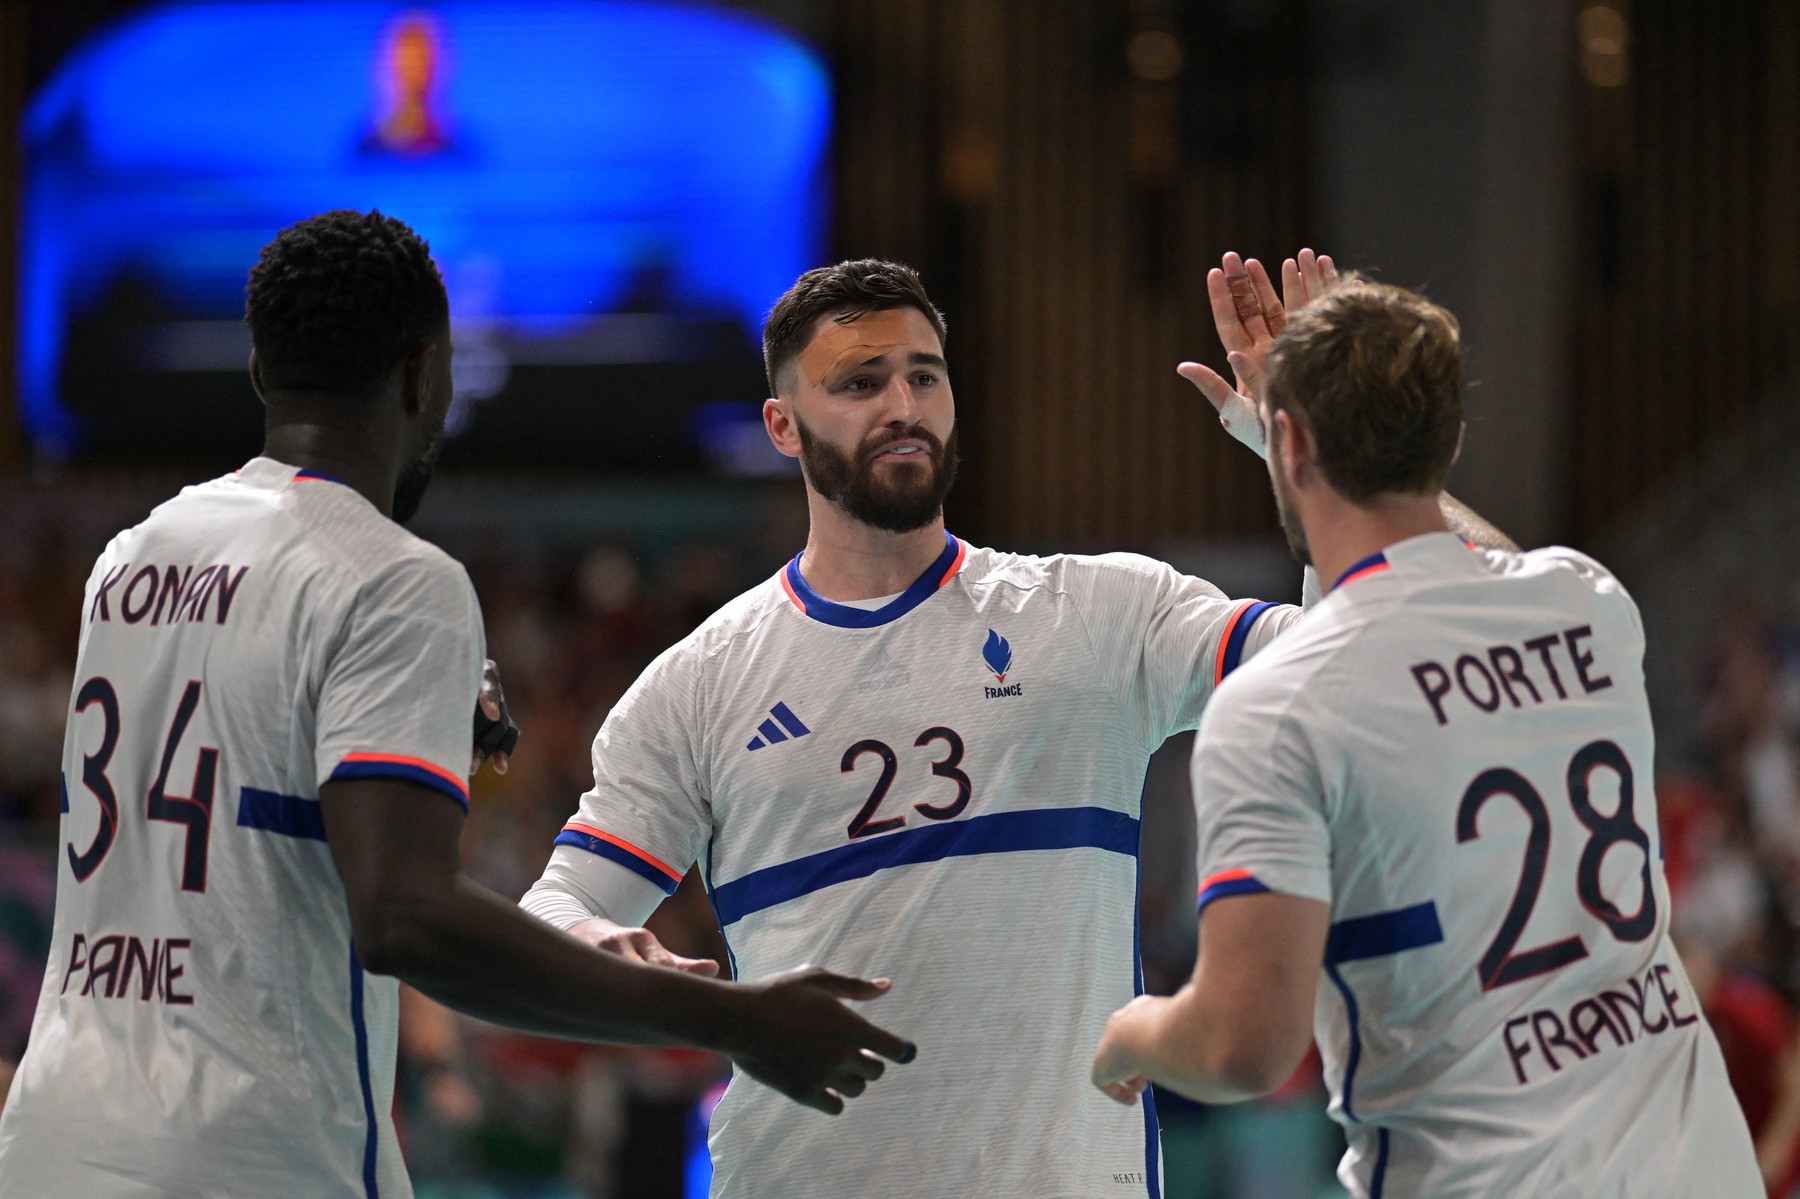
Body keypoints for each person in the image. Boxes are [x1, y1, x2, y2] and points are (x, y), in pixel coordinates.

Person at [520, 254, 1508, 1197]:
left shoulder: (1100, 614)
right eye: (860, 382)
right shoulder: (697, 686)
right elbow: (550, 918)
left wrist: (1325, 451)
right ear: (783, 424)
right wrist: (669, 987)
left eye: (923, 376)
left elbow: (1395, 641)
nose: (902, 406)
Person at [0, 210, 912, 1199]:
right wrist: (730, 1017)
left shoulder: (131, 559)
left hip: (54, 1138)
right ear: (428, 373)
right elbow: (406, 916)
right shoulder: (392, 577)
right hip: (238, 1156)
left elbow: (233, 773)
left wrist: (401, 713)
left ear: (260, 368)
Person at [1090, 280, 1762, 1196]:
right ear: (1446, 443)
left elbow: (1244, 1048)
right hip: (1697, 1168)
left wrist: (1130, 1032)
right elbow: (1480, 565)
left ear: (1289, 443)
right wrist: (1322, 430)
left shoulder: (1278, 705)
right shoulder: (1589, 604)